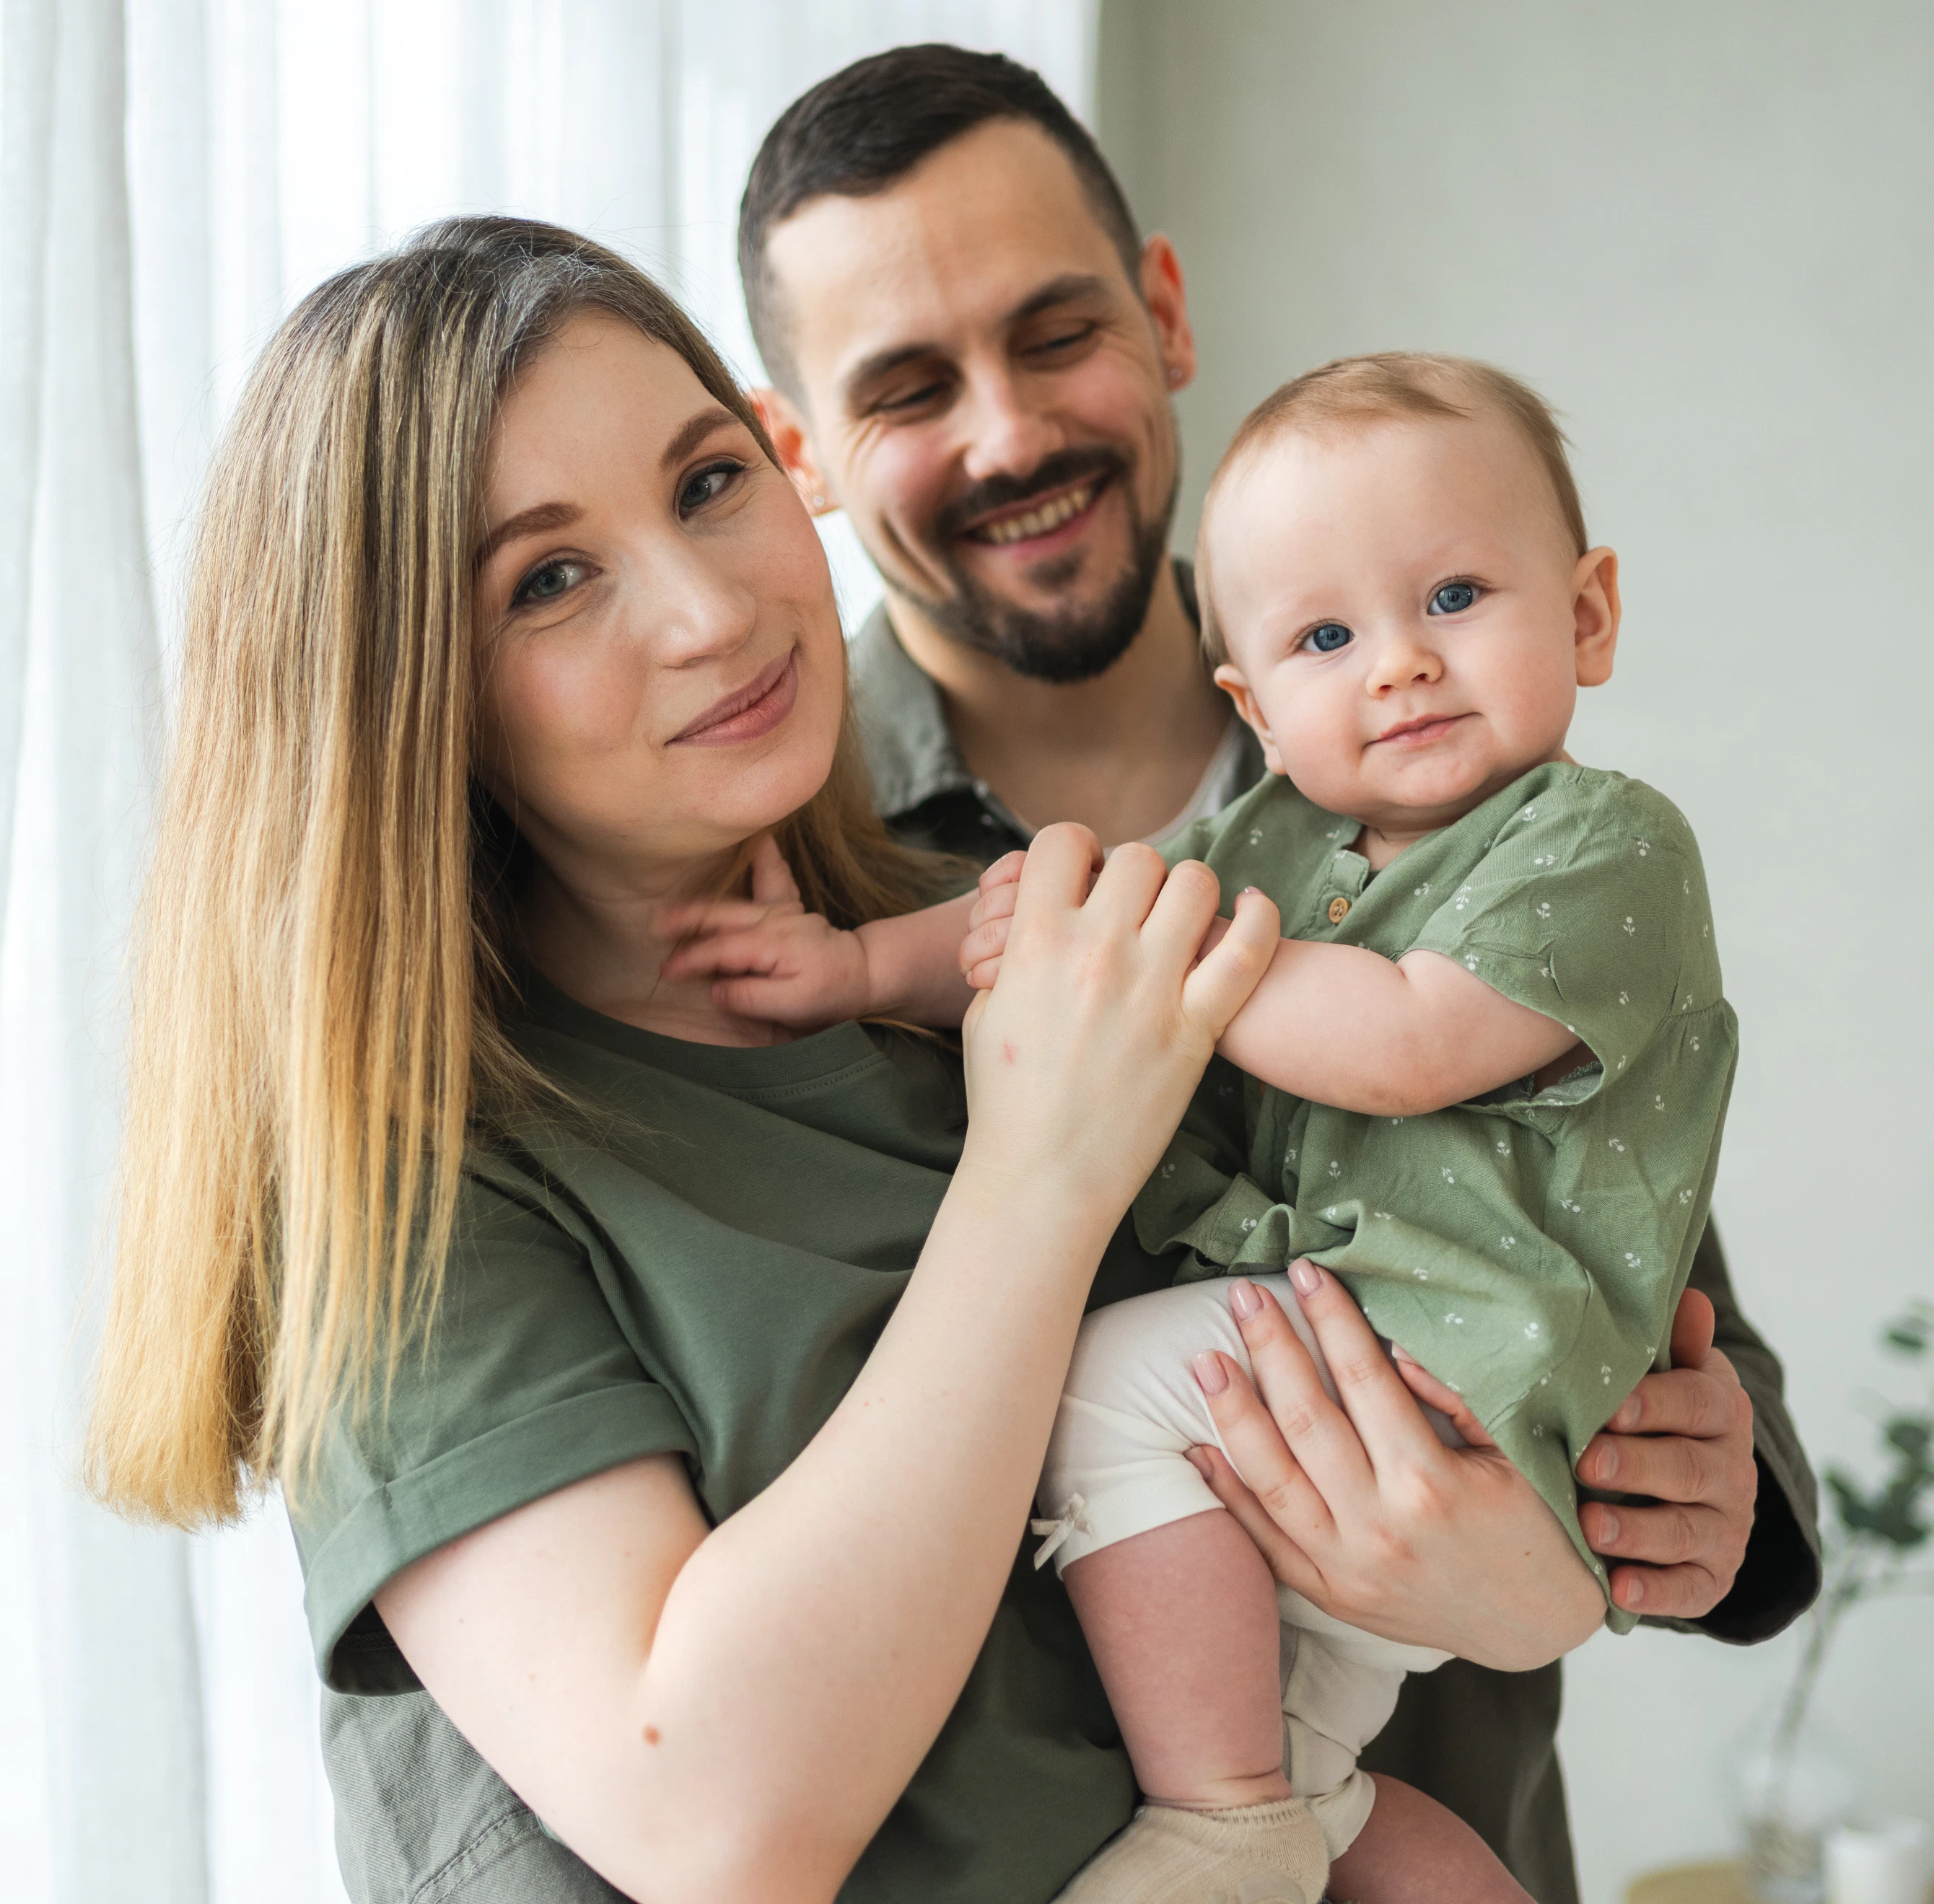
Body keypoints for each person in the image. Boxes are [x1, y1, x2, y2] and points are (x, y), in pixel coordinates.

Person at [82, 216, 1595, 1904]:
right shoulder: (415, 1198)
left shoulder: (992, 946)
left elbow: (1388, 1401)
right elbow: (718, 1830)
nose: (708, 609)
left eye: (710, 483)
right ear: (403, 696)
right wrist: (1040, 1174)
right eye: (548, 579)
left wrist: (1526, 1570)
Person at [734, 43, 1821, 1900]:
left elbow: (1653, 1292)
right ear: (803, 457)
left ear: (1160, 313)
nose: (1005, 436)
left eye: (1052, 330)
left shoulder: (1491, 811)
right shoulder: (777, 868)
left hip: (1452, 1806)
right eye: (908, 389)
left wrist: (1693, 1522)